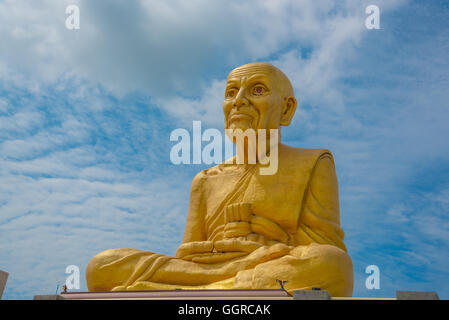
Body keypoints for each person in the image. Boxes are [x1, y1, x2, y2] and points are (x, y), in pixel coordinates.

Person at [86, 62, 354, 297]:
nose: (239, 101)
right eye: (230, 93)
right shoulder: (205, 180)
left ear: (286, 109)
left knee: (332, 263)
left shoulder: (313, 161)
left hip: (269, 264)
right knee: (102, 265)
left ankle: (187, 294)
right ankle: (213, 287)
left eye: (257, 90)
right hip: (212, 269)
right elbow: (186, 255)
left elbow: (323, 246)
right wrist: (226, 251)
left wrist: (267, 236)